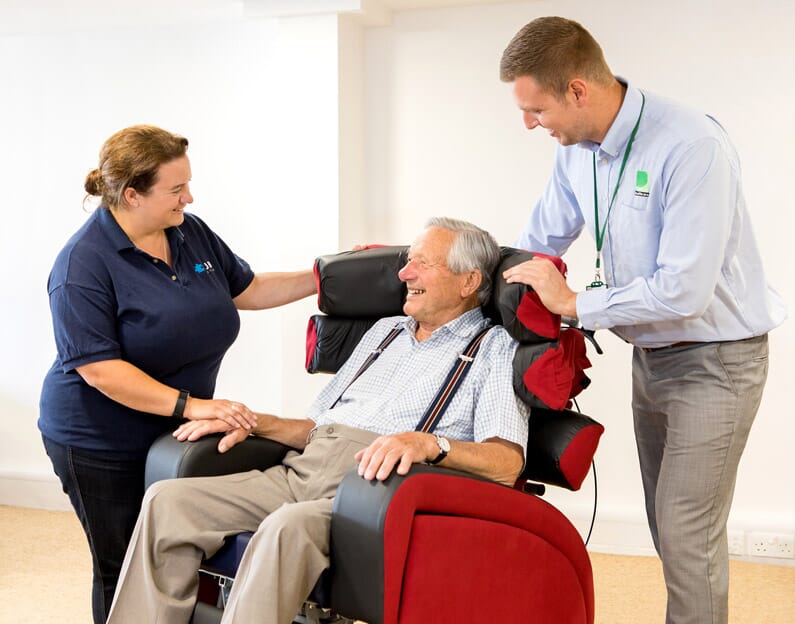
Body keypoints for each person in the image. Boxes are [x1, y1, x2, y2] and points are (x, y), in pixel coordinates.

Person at [498, 16, 786, 624]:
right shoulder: (575, 151)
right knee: (667, 523)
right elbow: (537, 243)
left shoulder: (689, 145)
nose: (529, 124)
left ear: (578, 90)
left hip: (717, 362)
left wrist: (573, 304)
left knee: (687, 532)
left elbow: (683, 291)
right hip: (649, 356)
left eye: (536, 109)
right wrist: (479, 282)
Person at [106, 217, 528, 623]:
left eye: (422, 264)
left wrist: (429, 444)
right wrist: (257, 422)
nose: (404, 274)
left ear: (469, 281)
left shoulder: (492, 349)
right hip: (301, 472)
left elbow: (507, 464)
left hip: (372, 495)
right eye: (407, 261)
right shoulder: (386, 331)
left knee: (285, 527)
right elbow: (317, 427)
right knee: (167, 502)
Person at [38, 125, 317, 624]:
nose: (189, 196)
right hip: (97, 438)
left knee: (172, 555)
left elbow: (248, 289)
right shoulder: (83, 264)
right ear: (131, 194)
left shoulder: (188, 232)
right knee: (124, 567)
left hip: (171, 432)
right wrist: (194, 405)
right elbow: (100, 370)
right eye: (175, 189)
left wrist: (325, 277)